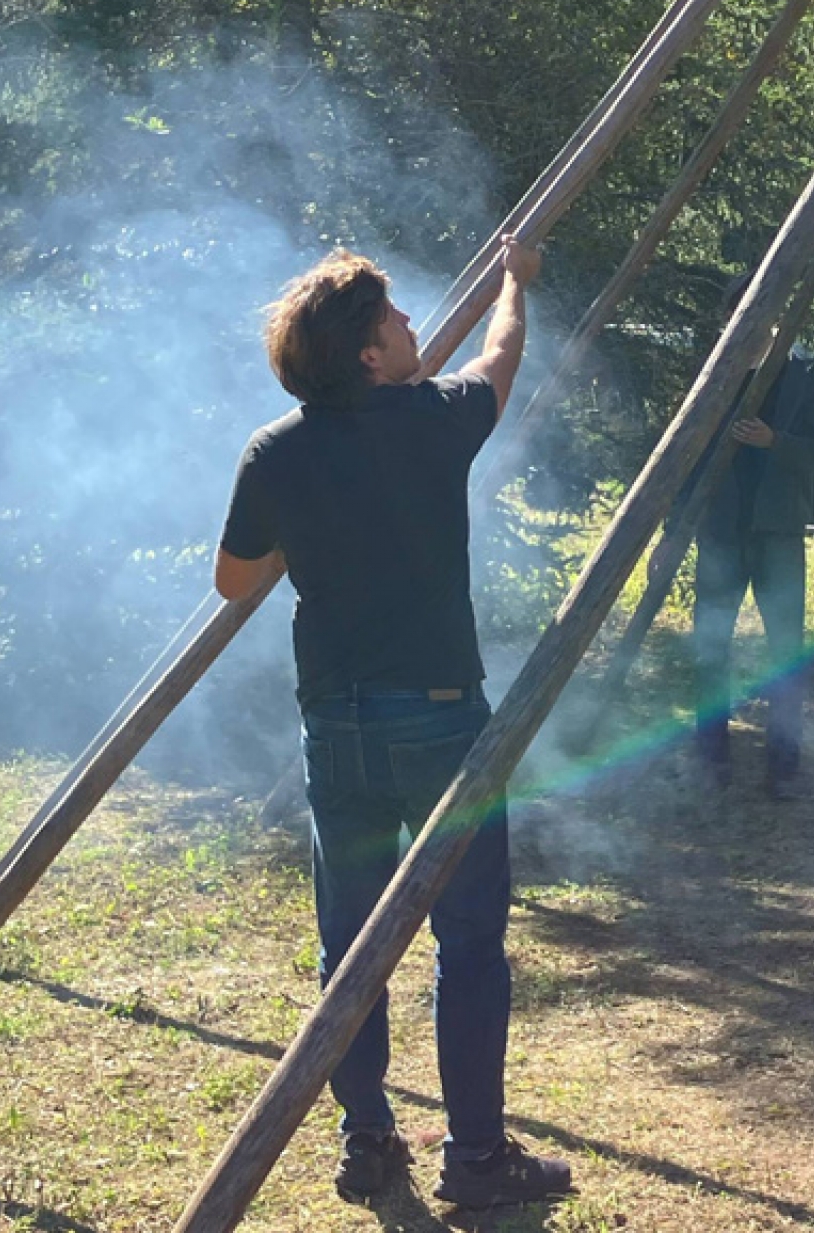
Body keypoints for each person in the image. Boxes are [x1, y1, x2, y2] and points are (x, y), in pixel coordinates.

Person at [213, 237, 570, 1211]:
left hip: (338, 728)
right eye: (396, 318)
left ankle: (368, 1142)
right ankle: (477, 1158)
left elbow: (236, 580)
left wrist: (314, 535)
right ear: (369, 353)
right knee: (467, 944)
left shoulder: (274, 451)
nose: (414, 325)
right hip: (442, 726)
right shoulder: (430, 420)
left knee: (350, 948)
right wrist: (513, 287)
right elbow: (498, 361)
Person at [689, 272, 814, 799]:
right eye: (736, 317)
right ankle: (711, 758)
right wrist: (670, 533)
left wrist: (776, 441)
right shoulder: (713, 374)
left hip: (777, 532)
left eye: (755, 316)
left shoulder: (803, 374)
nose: (744, 327)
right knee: (710, 649)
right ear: (728, 320)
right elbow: (686, 460)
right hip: (721, 532)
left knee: (784, 651)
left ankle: (783, 765)